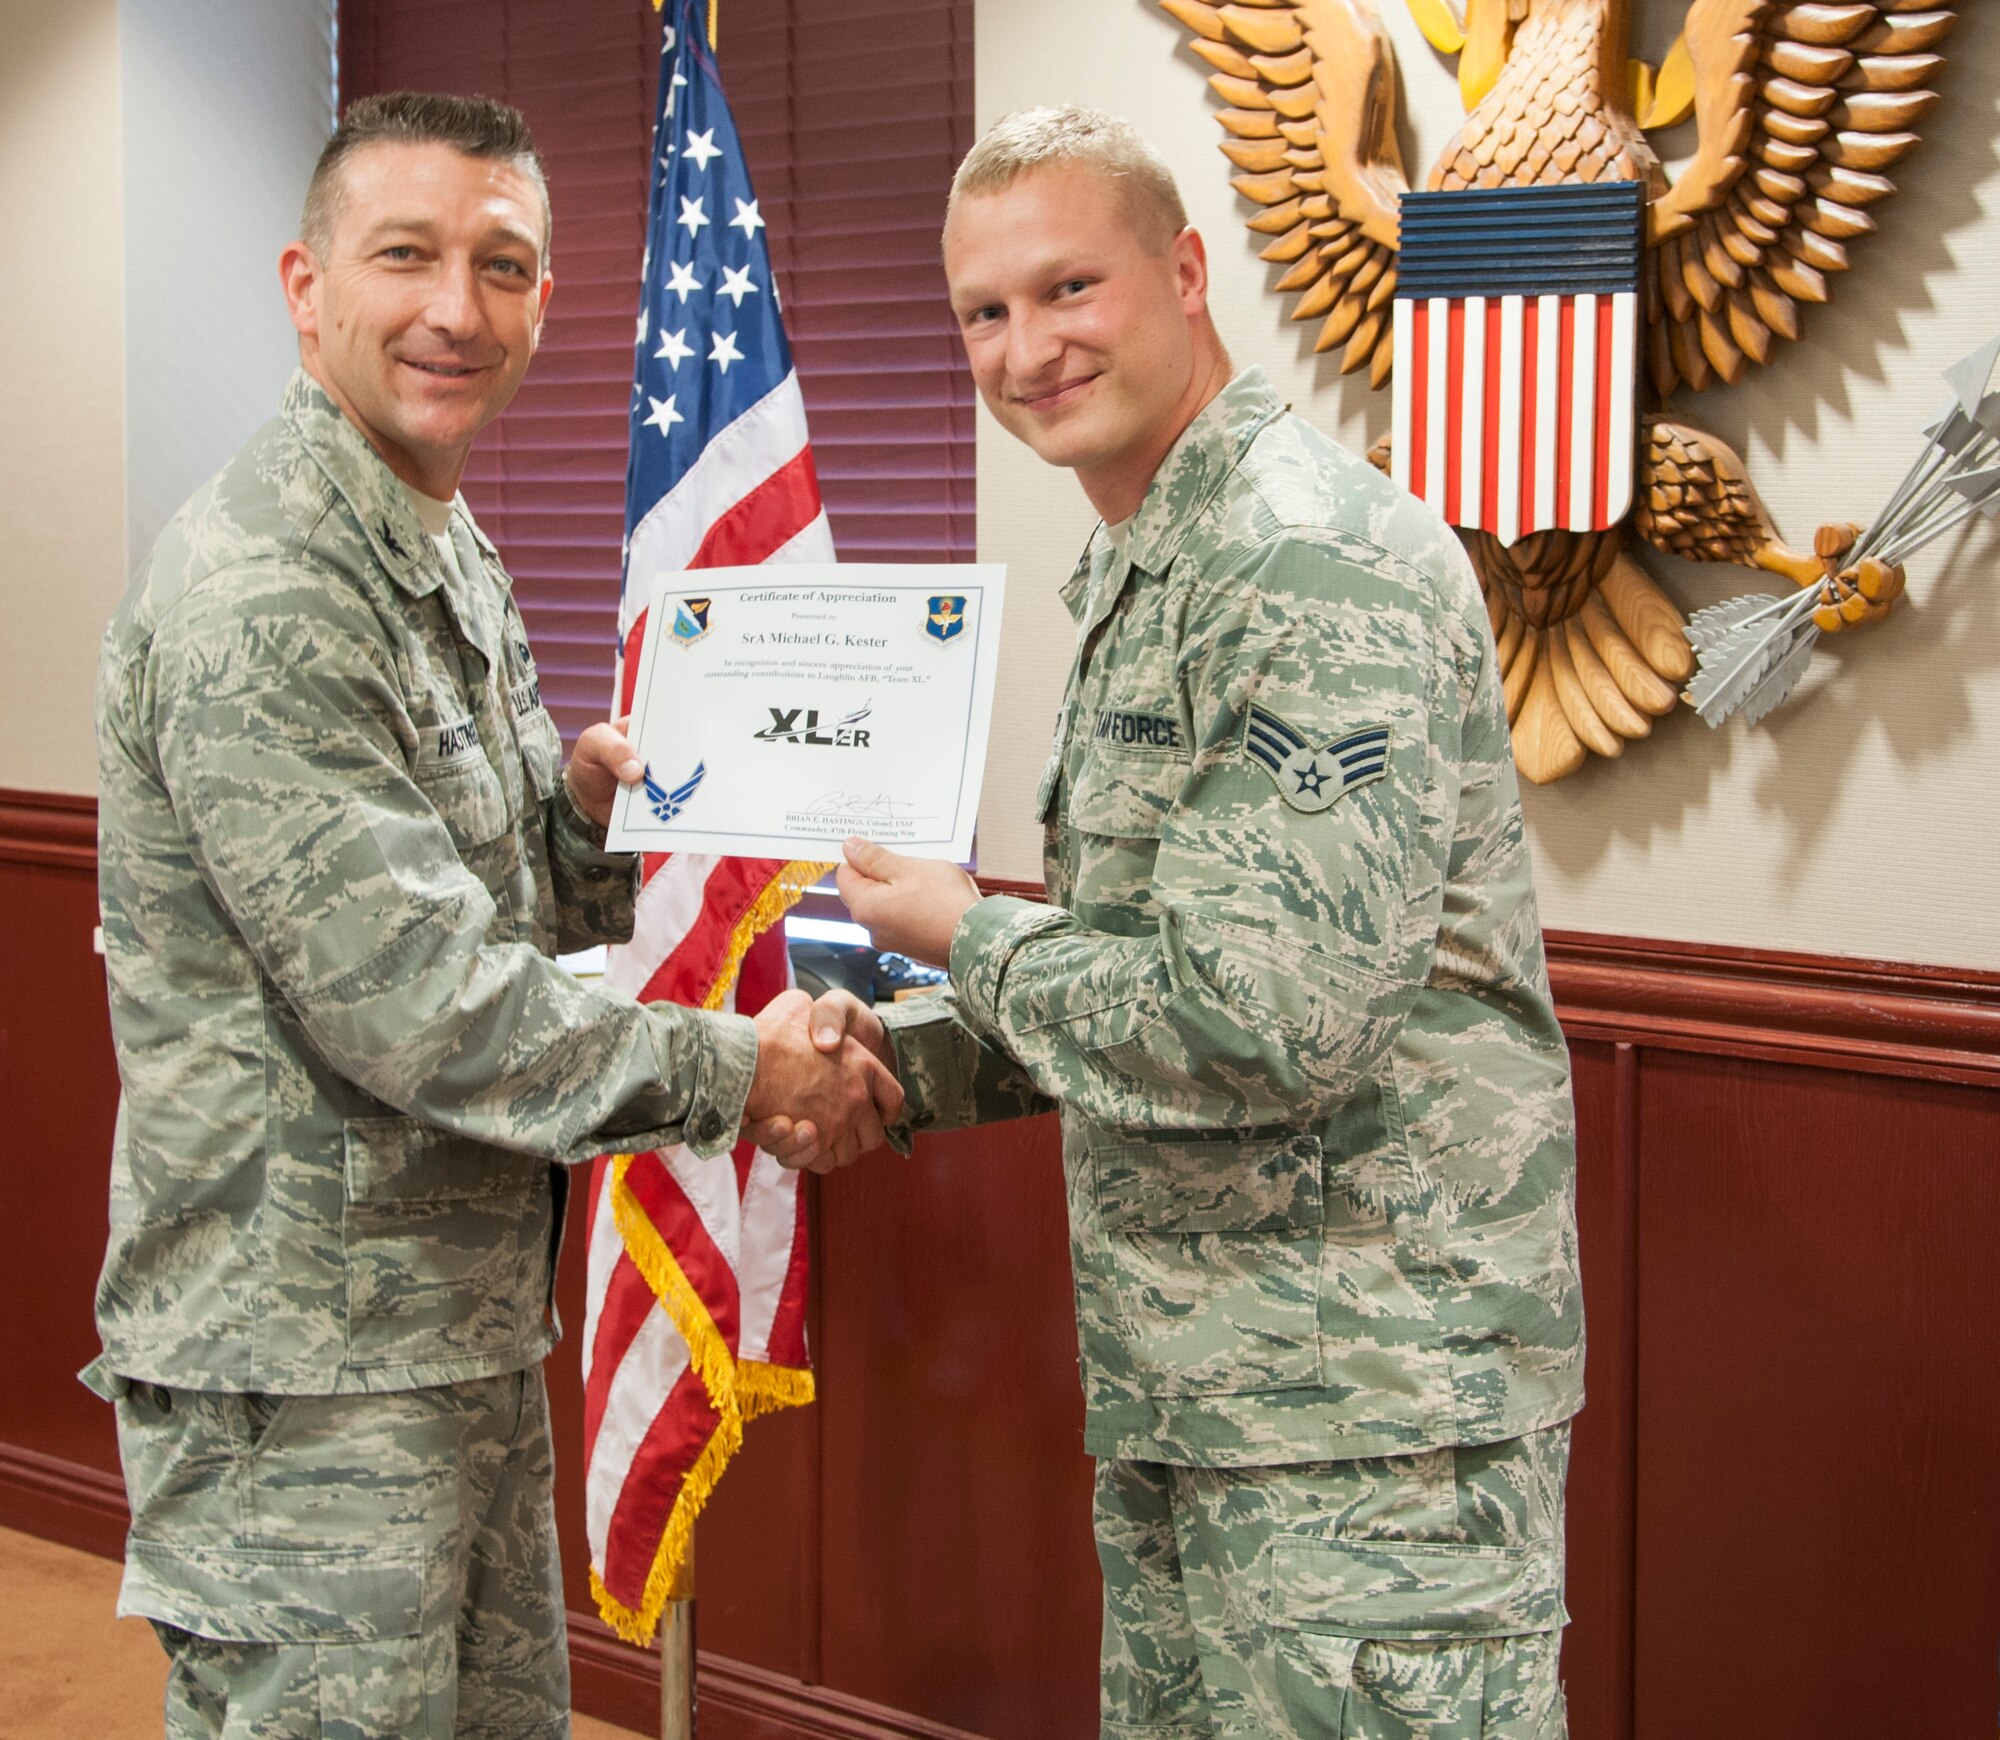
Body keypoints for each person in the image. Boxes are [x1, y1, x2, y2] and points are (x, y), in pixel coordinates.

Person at [88, 91, 896, 1739]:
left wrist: (587, 817)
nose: (457, 309)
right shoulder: (269, 589)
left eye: (503, 264)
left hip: (441, 1326)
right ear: (307, 285)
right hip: (300, 1377)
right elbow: (421, 1002)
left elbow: (483, 885)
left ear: (545, 298)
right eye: (407, 256)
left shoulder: (437, 548)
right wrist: (742, 1074)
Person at [770, 108, 1585, 1736]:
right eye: (983, 313)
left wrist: (967, 935)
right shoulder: (1166, 557)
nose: (1026, 349)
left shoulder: (1304, 560)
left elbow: (1267, 1021)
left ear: (1188, 271)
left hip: (1369, 1422)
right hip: (1204, 1387)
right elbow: (1152, 971)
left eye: (1070, 286)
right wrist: (894, 1063)